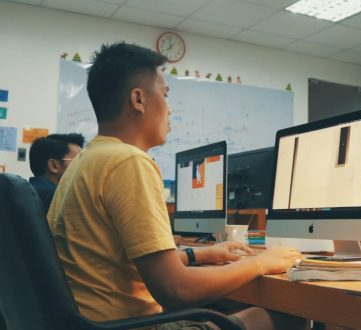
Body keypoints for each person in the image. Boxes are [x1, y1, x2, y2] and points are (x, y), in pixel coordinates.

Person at [47, 42, 304, 330]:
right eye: (166, 95)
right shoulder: (128, 162)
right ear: (138, 99)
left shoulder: (87, 160)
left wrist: (200, 253)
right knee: (288, 316)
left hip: (90, 323)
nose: (169, 109)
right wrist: (262, 263)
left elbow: (119, 258)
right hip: (129, 326)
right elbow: (177, 289)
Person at [29, 133, 84, 214]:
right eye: (78, 161)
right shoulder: (57, 197)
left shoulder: (29, 190)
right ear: (54, 165)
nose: (82, 166)